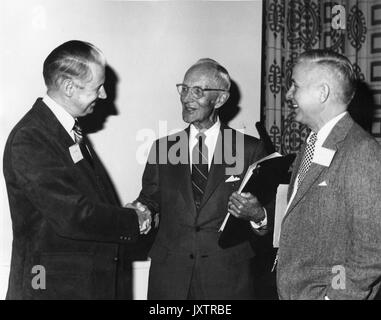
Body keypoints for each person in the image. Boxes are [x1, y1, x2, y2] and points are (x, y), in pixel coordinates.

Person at [3, 40, 150, 300]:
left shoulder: (64, 132)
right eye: (98, 87)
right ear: (69, 87)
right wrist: (131, 219)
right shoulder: (32, 136)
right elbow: (72, 214)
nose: (104, 95)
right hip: (53, 290)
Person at [136, 58, 273, 300]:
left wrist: (258, 215)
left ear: (220, 99)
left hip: (227, 280)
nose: (187, 98)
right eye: (184, 89)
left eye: (197, 91)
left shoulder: (249, 149)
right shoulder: (163, 148)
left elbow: (268, 218)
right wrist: (142, 211)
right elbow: (150, 200)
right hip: (170, 279)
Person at [276, 49, 381, 299]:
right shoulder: (313, 142)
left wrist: (332, 297)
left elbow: (372, 248)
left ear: (322, 93)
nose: (289, 94)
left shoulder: (361, 150)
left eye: (295, 85)